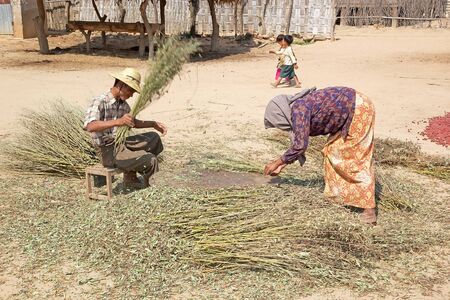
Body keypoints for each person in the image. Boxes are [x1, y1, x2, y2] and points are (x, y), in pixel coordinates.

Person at [263, 87, 377, 224]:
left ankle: (369, 210)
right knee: (331, 151)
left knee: (355, 160)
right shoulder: (298, 107)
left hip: (358, 109)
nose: (280, 127)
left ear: (280, 115)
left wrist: (276, 163)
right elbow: (299, 142)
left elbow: (299, 146)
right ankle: (339, 197)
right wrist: (283, 166)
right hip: (351, 110)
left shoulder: (299, 110)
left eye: (277, 123)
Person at [84, 67, 167, 188]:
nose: (132, 95)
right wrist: (118, 121)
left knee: (154, 138)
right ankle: (150, 187)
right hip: (107, 150)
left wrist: (153, 124)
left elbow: (132, 122)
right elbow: (90, 126)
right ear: (122, 84)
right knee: (151, 160)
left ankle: (130, 177)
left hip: (121, 144)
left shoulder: (124, 105)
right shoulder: (100, 101)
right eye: (131, 91)